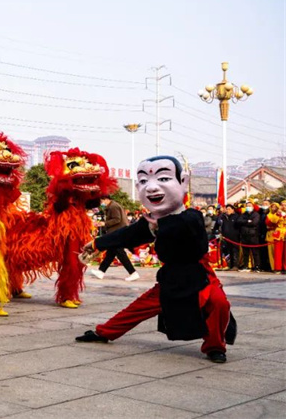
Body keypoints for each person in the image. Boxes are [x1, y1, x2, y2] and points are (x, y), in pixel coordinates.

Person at [76, 155, 234, 363]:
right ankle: (104, 332)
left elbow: (185, 229)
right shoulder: (152, 221)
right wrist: (97, 243)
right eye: (144, 181)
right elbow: (126, 235)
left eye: (163, 178)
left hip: (200, 277)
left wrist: (158, 226)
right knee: (137, 309)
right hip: (172, 278)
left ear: (183, 182)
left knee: (219, 304)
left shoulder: (192, 216)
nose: (151, 188)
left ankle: (215, 347)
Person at [90, 196, 139, 281]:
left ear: (106, 199)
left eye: (101, 201)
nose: (101, 203)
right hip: (117, 232)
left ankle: (133, 273)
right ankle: (101, 271)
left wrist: (104, 223)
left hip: (118, 232)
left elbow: (117, 219)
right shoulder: (112, 206)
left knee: (119, 252)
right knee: (111, 253)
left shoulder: (113, 206)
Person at [215, 205, 240, 270]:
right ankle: (229, 265)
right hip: (225, 237)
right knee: (229, 252)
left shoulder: (236, 216)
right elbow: (218, 224)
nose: (227, 210)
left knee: (234, 251)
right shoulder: (223, 217)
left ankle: (235, 265)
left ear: (233, 210)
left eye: (229, 209)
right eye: (226, 209)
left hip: (234, 237)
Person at [238, 201, 260, 272]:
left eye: (250, 205)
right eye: (247, 206)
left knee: (255, 252)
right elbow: (239, 221)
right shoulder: (243, 214)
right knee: (245, 253)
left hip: (253, 235)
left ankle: (257, 266)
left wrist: (245, 222)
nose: (248, 207)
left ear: (253, 207)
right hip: (244, 235)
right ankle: (246, 266)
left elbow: (254, 223)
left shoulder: (256, 214)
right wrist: (248, 221)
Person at [257, 200, 272, 272]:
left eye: (266, 204)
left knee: (269, 252)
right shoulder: (260, 213)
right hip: (261, 233)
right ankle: (263, 266)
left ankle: (270, 266)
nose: (264, 205)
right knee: (262, 251)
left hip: (269, 233)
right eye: (263, 204)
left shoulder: (271, 213)